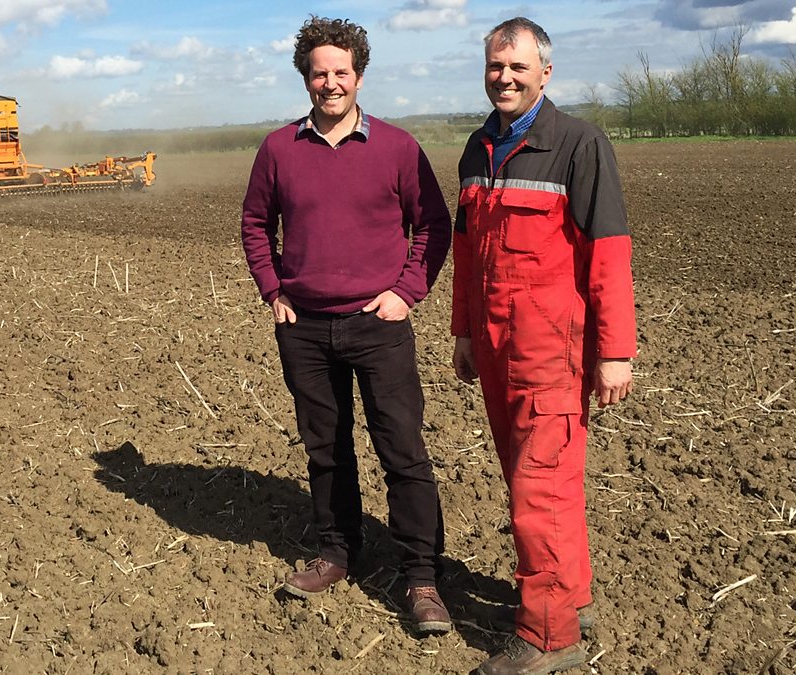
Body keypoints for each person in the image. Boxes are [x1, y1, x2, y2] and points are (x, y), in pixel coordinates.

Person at [241, 15, 453, 636]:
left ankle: (421, 575)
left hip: (377, 326)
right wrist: (274, 289)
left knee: (402, 450)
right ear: (305, 79)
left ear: (359, 75)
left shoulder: (397, 147)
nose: (330, 83)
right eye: (319, 74)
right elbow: (256, 225)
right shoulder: (278, 149)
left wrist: (405, 293)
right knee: (325, 449)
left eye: (341, 72)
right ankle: (337, 551)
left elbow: (433, 226)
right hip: (305, 328)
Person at [449, 17, 636, 675]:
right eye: (495, 67)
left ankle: (549, 636)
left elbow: (608, 253)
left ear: (545, 73)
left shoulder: (579, 145)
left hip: (551, 354)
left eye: (517, 67)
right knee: (537, 485)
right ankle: (569, 597)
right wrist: (464, 332)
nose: (504, 78)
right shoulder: (477, 148)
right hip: (495, 349)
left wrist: (615, 351)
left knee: (540, 493)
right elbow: (466, 251)